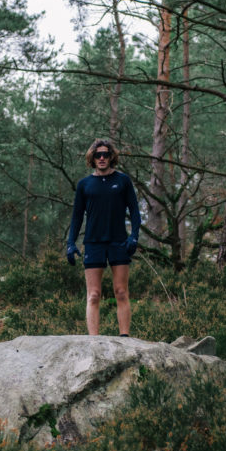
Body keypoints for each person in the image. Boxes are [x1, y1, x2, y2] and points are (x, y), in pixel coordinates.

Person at [67, 138, 141, 336]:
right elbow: (77, 216)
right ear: (92, 158)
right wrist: (70, 243)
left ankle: (125, 337)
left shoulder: (123, 181)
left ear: (111, 157)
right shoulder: (84, 184)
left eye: (105, 154)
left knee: (121, 292)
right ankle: (94, 341)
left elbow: (135, 211)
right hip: (93, 243)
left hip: (119, 242)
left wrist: (134, 236)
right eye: (98, 155)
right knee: (93, 295)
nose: (101, 158)